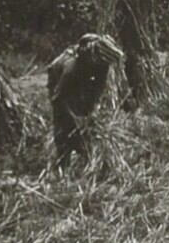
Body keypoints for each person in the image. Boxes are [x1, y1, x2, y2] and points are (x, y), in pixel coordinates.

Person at [46, 33, 125, 167]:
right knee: (64, 125)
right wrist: (73, 119)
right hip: (58, 79)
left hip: (81, 78)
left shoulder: (102, 64)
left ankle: (85, 157)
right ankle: (63, 162)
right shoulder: (71, 69)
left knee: (84, 115)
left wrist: (93, 110)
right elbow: (58, 99)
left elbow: (99, 87)